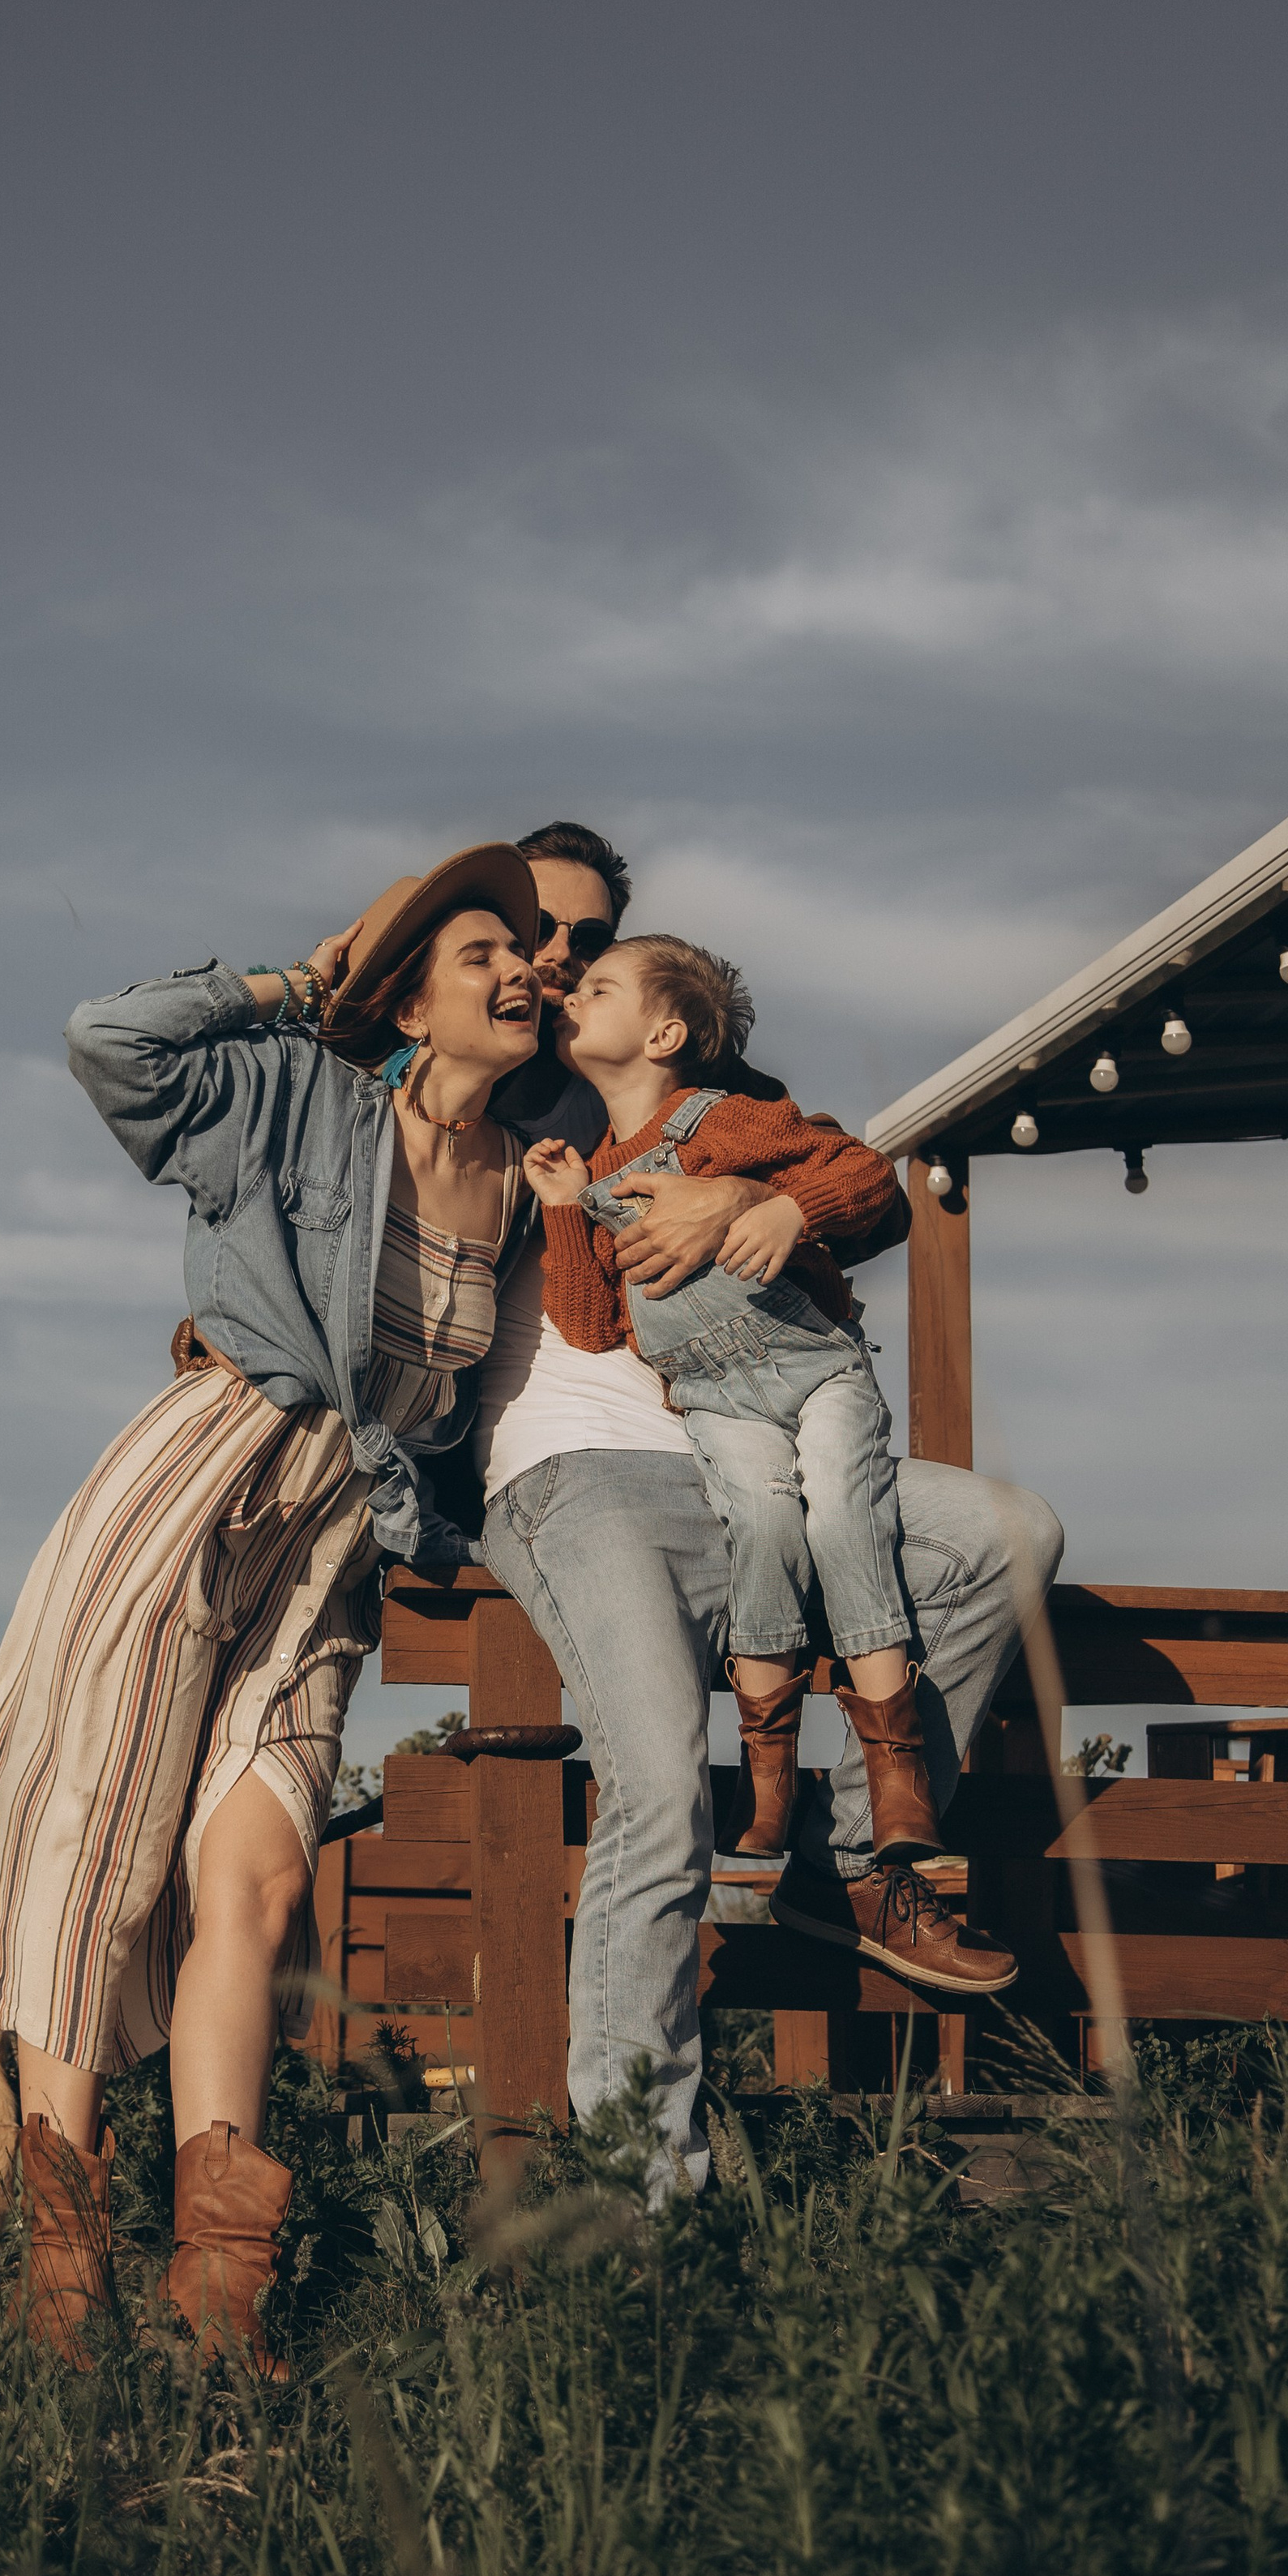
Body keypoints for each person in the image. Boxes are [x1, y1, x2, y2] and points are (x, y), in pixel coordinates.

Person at [0, 846, 543, 2372]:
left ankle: (223, 2287)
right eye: (485, 950)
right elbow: (108, 1039)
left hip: (331, 1548)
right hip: (198, 1486)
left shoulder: (527, 1186)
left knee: (261, 1879)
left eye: (531, 952)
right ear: (409, 992)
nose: (521, 969)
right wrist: (290, 986)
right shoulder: (299, 1100)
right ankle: (65, 2275)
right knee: (101, 1848)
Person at [478, 819, 1062, 2208]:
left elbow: (860, 1183)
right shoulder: (447, 1097)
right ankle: (639, 2194)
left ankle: (855, 1860)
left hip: (738, 1442)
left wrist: (762, 1201)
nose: (556, 965)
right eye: (527, 937)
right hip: (576, 1469)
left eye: (583, 945)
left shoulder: (710, 1095)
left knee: (1003, 1535)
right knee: (662, 1779)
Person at [525, 929, 987, 1888]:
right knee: (765, 1526)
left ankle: (896, 1778)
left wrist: (782, 1209)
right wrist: (569, 1207)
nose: (571, 994)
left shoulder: (721, 1120)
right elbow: (588, 1323)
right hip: (713, 1397)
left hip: (810, 1370)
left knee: (841, 1508)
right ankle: (768, 1785)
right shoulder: (596, 1166)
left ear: (664, 1035)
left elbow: (863, 1174)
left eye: (597, 986)